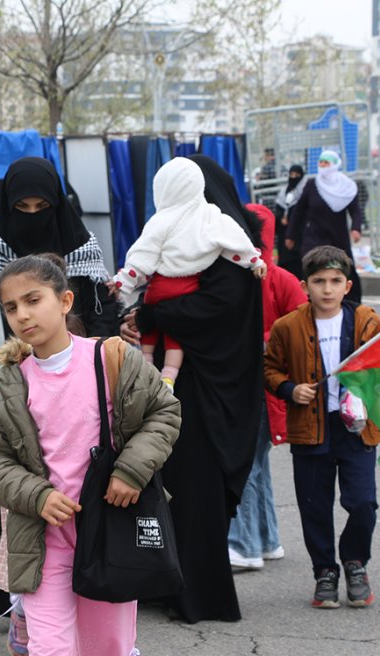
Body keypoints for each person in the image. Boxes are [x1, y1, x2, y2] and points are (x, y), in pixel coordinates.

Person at [0, 253, 179, 656]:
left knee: (110, 645)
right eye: (11, 307)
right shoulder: (9, 383)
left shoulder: (112, 360)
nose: (23, 315)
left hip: (110, 532)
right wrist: (37, 495)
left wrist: (133, 469)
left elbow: (165, 412)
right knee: (49, 652)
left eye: (34, 301)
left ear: (65, 302)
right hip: (42, 540)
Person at [123, 154, 265, 624]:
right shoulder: (192, 241)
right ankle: (165, 582)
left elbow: (216, 308)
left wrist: (152, 316)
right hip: (183, 385)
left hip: (211, 396)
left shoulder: (230, 251)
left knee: (198, 492)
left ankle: (199, 594)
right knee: (172, 488)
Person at [263, 245, 380, 609]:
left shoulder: (366, 321)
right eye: (318, 281)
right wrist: (289, 388)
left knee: (363, 502)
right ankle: (325, 572)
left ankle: (355, 562)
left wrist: (367, 382)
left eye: (335, 281)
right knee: (314, 505)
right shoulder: (288, 326)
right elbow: (269, 369)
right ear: (305, 285)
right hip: (310, 429)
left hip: (356, 428)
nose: (327, 289)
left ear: (348, 286)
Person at [107, 157, 263, 386]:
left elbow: (215, 305)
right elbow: (163, 285)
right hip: (176, 376)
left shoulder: (232, 246)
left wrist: (148, 317)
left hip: (217, 381)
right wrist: (132, 318)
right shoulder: (178, 235)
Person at [227, 204, 306, 570]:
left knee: (244, 462)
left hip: (257, 384)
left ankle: (244, 545)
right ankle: (267, 537)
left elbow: (298, 332)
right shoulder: (280, 279)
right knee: (257, 463)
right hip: (272, 386)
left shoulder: (250, 278)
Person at [0, 156, 119, 337]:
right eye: (22, 207)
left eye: (42, 206)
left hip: (76, 355)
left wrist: (93, 352)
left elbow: (101, 309)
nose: (32, 215)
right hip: (7, 356)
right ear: (8, 206)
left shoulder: (79, 245)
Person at [284, 149, 363, 303]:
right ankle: (309, 301)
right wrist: (290, 235)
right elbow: (299, 211)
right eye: (321, 162)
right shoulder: (313, 184)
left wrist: (356, 228)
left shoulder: (346, 186)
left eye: (326, 162)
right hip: (314, 235)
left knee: (344, 267)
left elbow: (355, 210)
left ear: (334, 164)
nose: (322, 165)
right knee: (311, 265)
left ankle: (351, 302)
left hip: (337, 235)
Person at [275, 164, 307, 277]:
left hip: (299, 234)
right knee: (285, 264)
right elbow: (278, 209)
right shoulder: (283, 192)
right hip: (284, 233)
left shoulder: (304, 192)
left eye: (296, 175)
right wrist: (280, 218)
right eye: (291, 175)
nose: (293, 178)